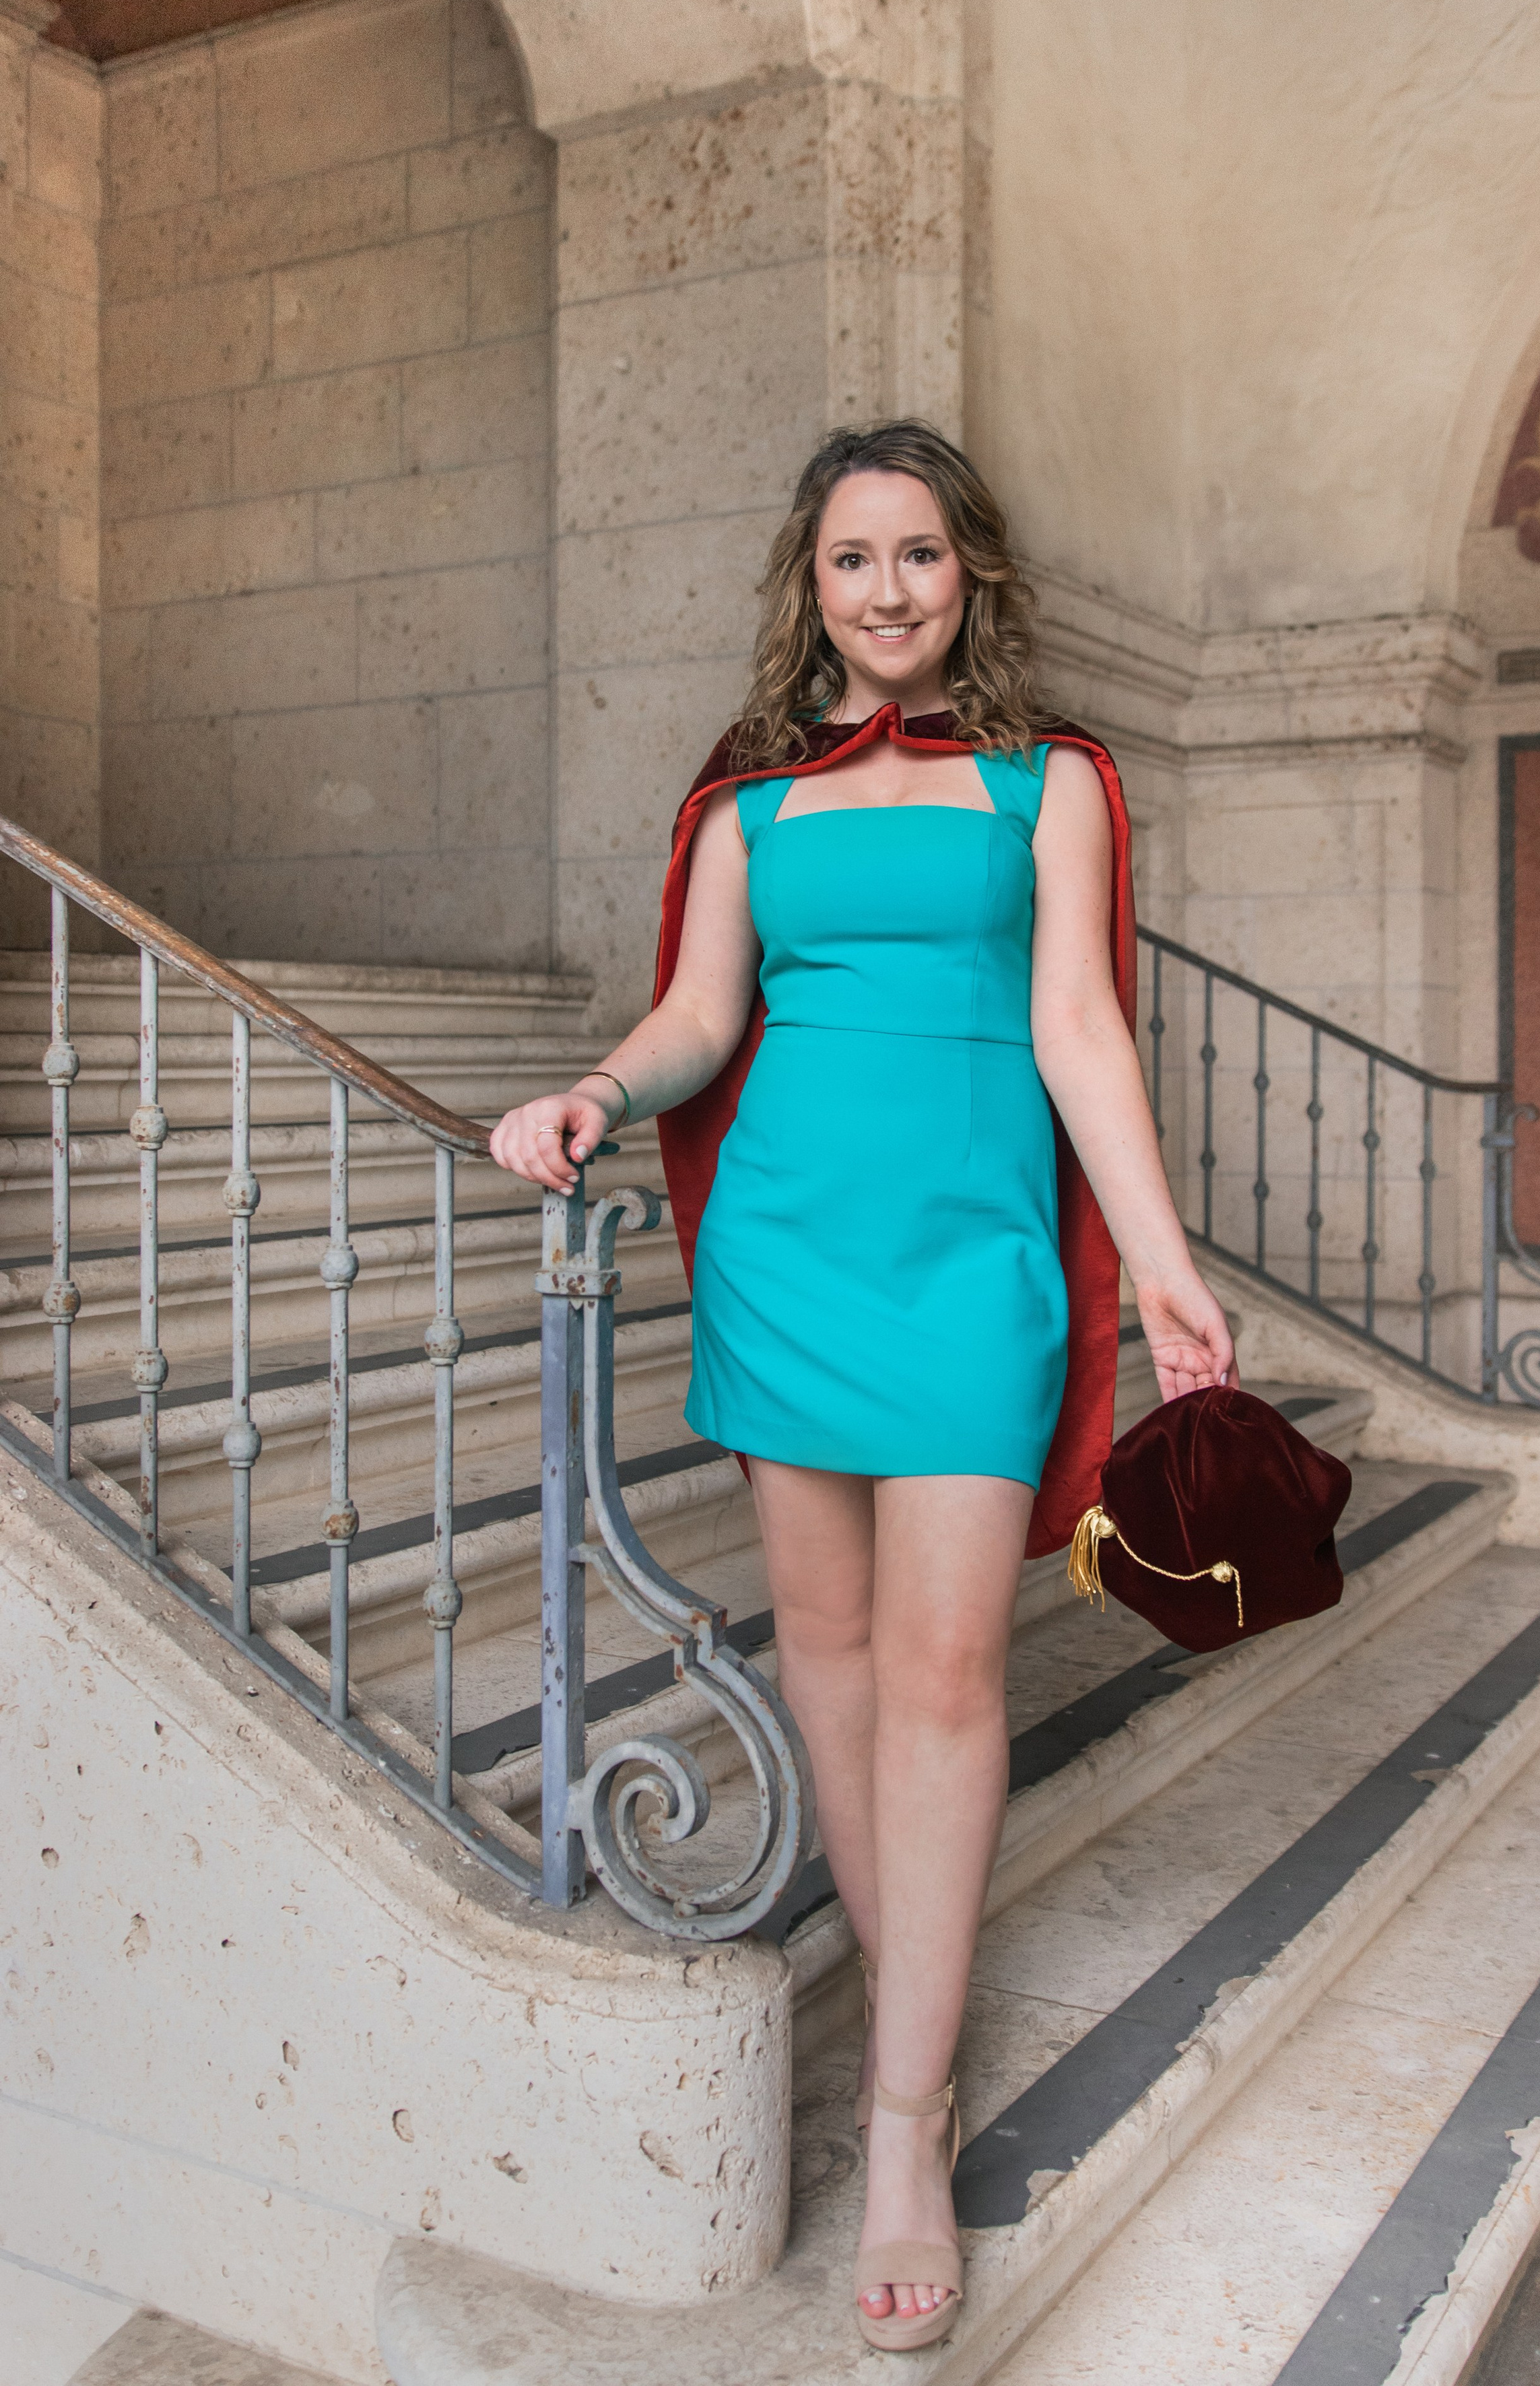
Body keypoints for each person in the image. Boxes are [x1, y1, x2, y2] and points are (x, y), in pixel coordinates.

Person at [490, 420, 1234, 2350]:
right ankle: (922, 2000)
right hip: (788, 1259)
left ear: (968, 569)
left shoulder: (1049, 781)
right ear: (806, 585)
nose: (887, 589)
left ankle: (908, 2117)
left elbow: (1080, 1030)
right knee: (822, 1651)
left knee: (950, 1670)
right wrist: (595, 1088)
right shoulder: (748, 801)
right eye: (851, 560)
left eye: (918, 554)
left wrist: (1157, 1265)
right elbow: (698, 1018)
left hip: (974, 1270)